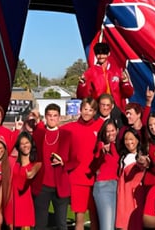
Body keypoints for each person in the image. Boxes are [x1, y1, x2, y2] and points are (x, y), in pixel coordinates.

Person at [27, 104, 71, 230]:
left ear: (59, 118)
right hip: (42, 185)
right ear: (45, 117)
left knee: (62, 224)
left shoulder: (66, 135)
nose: (52, 118)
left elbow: (75, 159)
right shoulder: (39, 133)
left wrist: (64, 163)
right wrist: (36, 117)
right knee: (40, 223)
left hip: (60, 184)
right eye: (49, 116)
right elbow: (32, 126)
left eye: (55, 116)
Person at [64, 97, 104, 230]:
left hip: (96, 179)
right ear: (80, 110)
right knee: (79, 218)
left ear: (94, 112)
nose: (87, 112)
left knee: (95, 217)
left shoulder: (100, 126)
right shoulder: (70, 128)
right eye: (85, 109)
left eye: (90, 110)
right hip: (77, 178)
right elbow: (51, 133)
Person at [6, 131, 42, 229]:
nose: (25, 146)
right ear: (18, 146)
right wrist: (16, 131)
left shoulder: (35, 164)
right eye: (22, 143)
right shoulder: (13, 161)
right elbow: (5, 151)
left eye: (27, 143)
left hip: (26, 202)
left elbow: (39, 165)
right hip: (12, 201)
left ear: (31, 143)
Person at [91, 119, 121, 230]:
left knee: (115, 225)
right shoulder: (101, 146)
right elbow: (96, 161)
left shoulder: (118, 146)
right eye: (107, 131)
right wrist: (102, 151)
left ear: (117, 131)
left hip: (117, 187)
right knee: (107, 226)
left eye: (112, 130)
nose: (110, 133)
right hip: (104, 187)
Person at [116, 127, 147, 230]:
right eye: (126, 139)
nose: (128, 142)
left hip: (135, 195)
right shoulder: (123, 157)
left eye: (131, 139)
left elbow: (141, 164)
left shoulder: (140, 156)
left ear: (137, 140)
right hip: (123, 194)